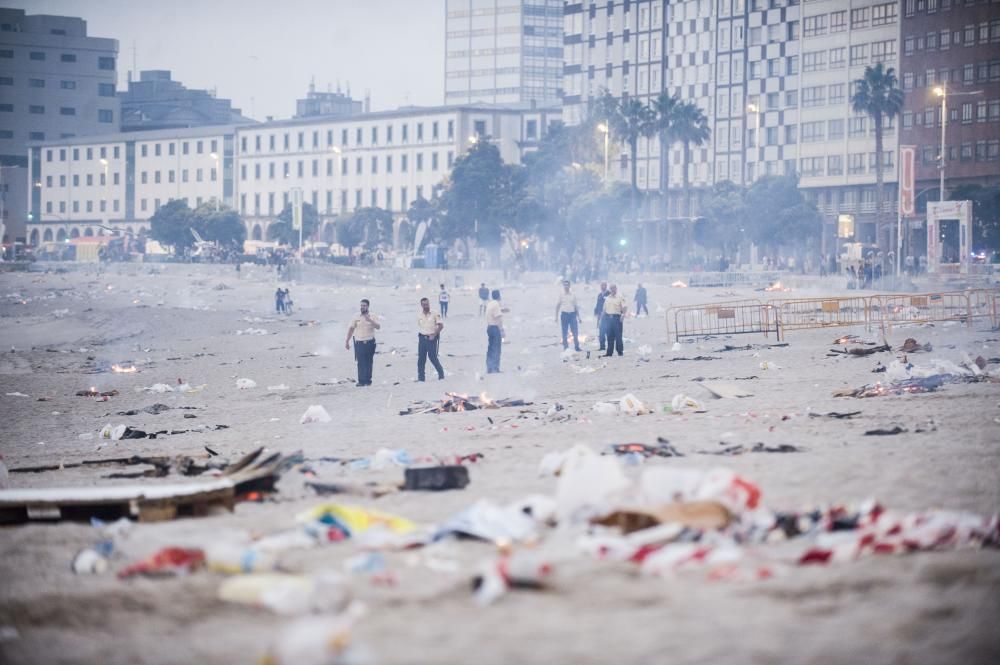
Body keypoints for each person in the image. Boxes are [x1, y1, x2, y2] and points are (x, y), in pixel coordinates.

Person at [345, 298, 380, 387]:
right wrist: (347, 341)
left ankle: (368, 380)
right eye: (361, 306)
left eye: (364, 306)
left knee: (369, 362)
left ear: (368, 306)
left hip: (370, 342)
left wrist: (370, 320)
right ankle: (361, 381)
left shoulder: (373, 315)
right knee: (360, 362)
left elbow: (378, 327)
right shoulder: (356, 316)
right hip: (359, 342)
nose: (362, 307)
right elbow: (351, 329)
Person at [416, 297, 445, 381]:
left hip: (431, 338)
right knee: (421, 359)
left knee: (432, 357)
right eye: (424, 304)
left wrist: (434, 335)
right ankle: (421, 378)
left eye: (427, 304)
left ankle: (441, 374)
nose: (426, 306)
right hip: (422, 338)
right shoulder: (419, 315)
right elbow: (420, 326)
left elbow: (441, 326)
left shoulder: (434, 313)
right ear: (421, 305)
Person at [554, 279, 582, 352]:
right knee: (564, 332)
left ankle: (577, 346)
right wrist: (556, 317)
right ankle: (566, 347)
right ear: (563, 286)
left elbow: (576, 307)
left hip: (572, 315)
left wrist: (579, 317)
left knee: (575, 332)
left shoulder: (573, 295)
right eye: (565, 285)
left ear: (569, 286)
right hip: (564, 315)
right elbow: (558, 306)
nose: (566, 286)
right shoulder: (561, 295)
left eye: (567, 285)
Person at [603, 283, 627, 357]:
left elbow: (625, 307)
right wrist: (602, 319)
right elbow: (604, 309)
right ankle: (609, 352)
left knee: (618, 336)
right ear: (610, 289)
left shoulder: (620, 297)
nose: (612, 290)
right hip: (608, 318)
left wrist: (623, 315)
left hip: (617, 318)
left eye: (614, 288)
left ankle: (620, 351)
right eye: (611, 288)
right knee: (609, 336)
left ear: (616, 288)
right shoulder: (607, 298)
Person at [485, 289, 506, 373]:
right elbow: (498, 318)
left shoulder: (490, 303)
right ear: (499, 296)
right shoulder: (496, 304)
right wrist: (502, 330)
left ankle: (489, 367)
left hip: (489, 327)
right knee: (497, 348)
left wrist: (503, 310)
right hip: (495, 328)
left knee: (490, 348)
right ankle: (495, 368)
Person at [594, 282, 609, 351]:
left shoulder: (609, 294)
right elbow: (598, 304)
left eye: (604, 285)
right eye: (601, 285)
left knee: (608, 331)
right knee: (601, 331)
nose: (602, 286)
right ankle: (602, 346)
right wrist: (596, 312)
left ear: (606, 286)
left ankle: (610, 346)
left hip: (607, 315)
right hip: (600, 315)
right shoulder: (599, 295)